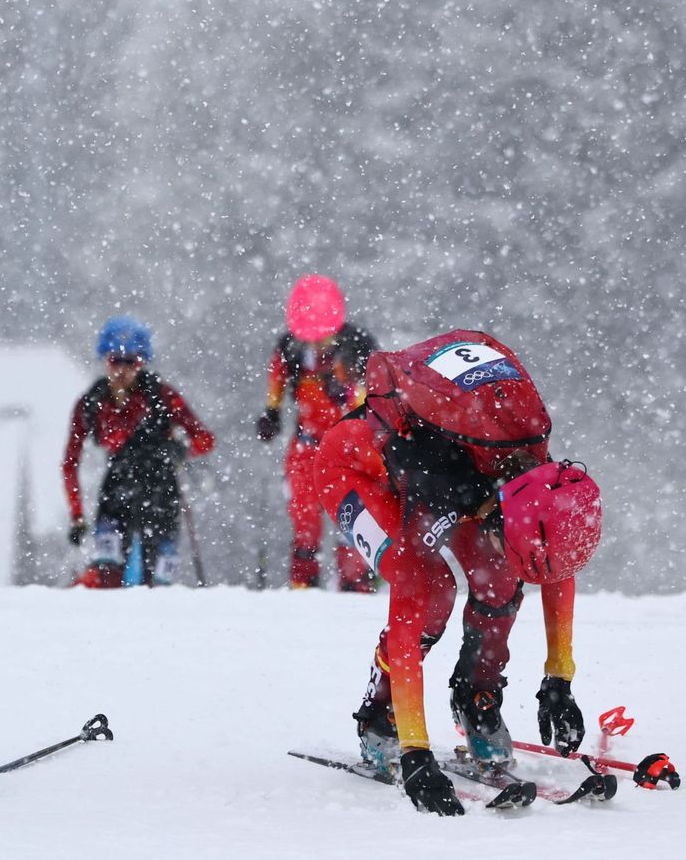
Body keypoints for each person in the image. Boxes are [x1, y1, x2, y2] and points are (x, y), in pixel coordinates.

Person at [303, 329, 602, 816]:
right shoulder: (436, 479)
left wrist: (559, 680)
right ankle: (381, 719)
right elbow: (405, 617)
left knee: (500, 578)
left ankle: (476, 697)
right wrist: (416, 753)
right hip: (353, 469)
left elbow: (554, 569)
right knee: (431, 592)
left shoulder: (534, 470)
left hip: (460, 466)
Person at [63, 316, 216, 588]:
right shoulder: (91, 404)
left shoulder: (162, 397)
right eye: (114, 361)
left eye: (130, 362)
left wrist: (181, 450)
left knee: (156, 585)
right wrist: (77, 516)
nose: (122, 371)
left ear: (142, 362)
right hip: (117, 492)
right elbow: (70, 462)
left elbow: (204, 439)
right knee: (106, 577)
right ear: (104, 360)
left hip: (161, 494)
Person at [256, 275, 378, 591]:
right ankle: (303, 585)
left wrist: (349, 393)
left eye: (322, 336)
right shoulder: (290, 347)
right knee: (304, 515)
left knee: (351, 518)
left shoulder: (359, 345)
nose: (316, 343)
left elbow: (376, 393)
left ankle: (355, 586)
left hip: (350, 446)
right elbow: (277, 381)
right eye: (309, 336)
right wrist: (271, 413)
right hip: (307, 442)